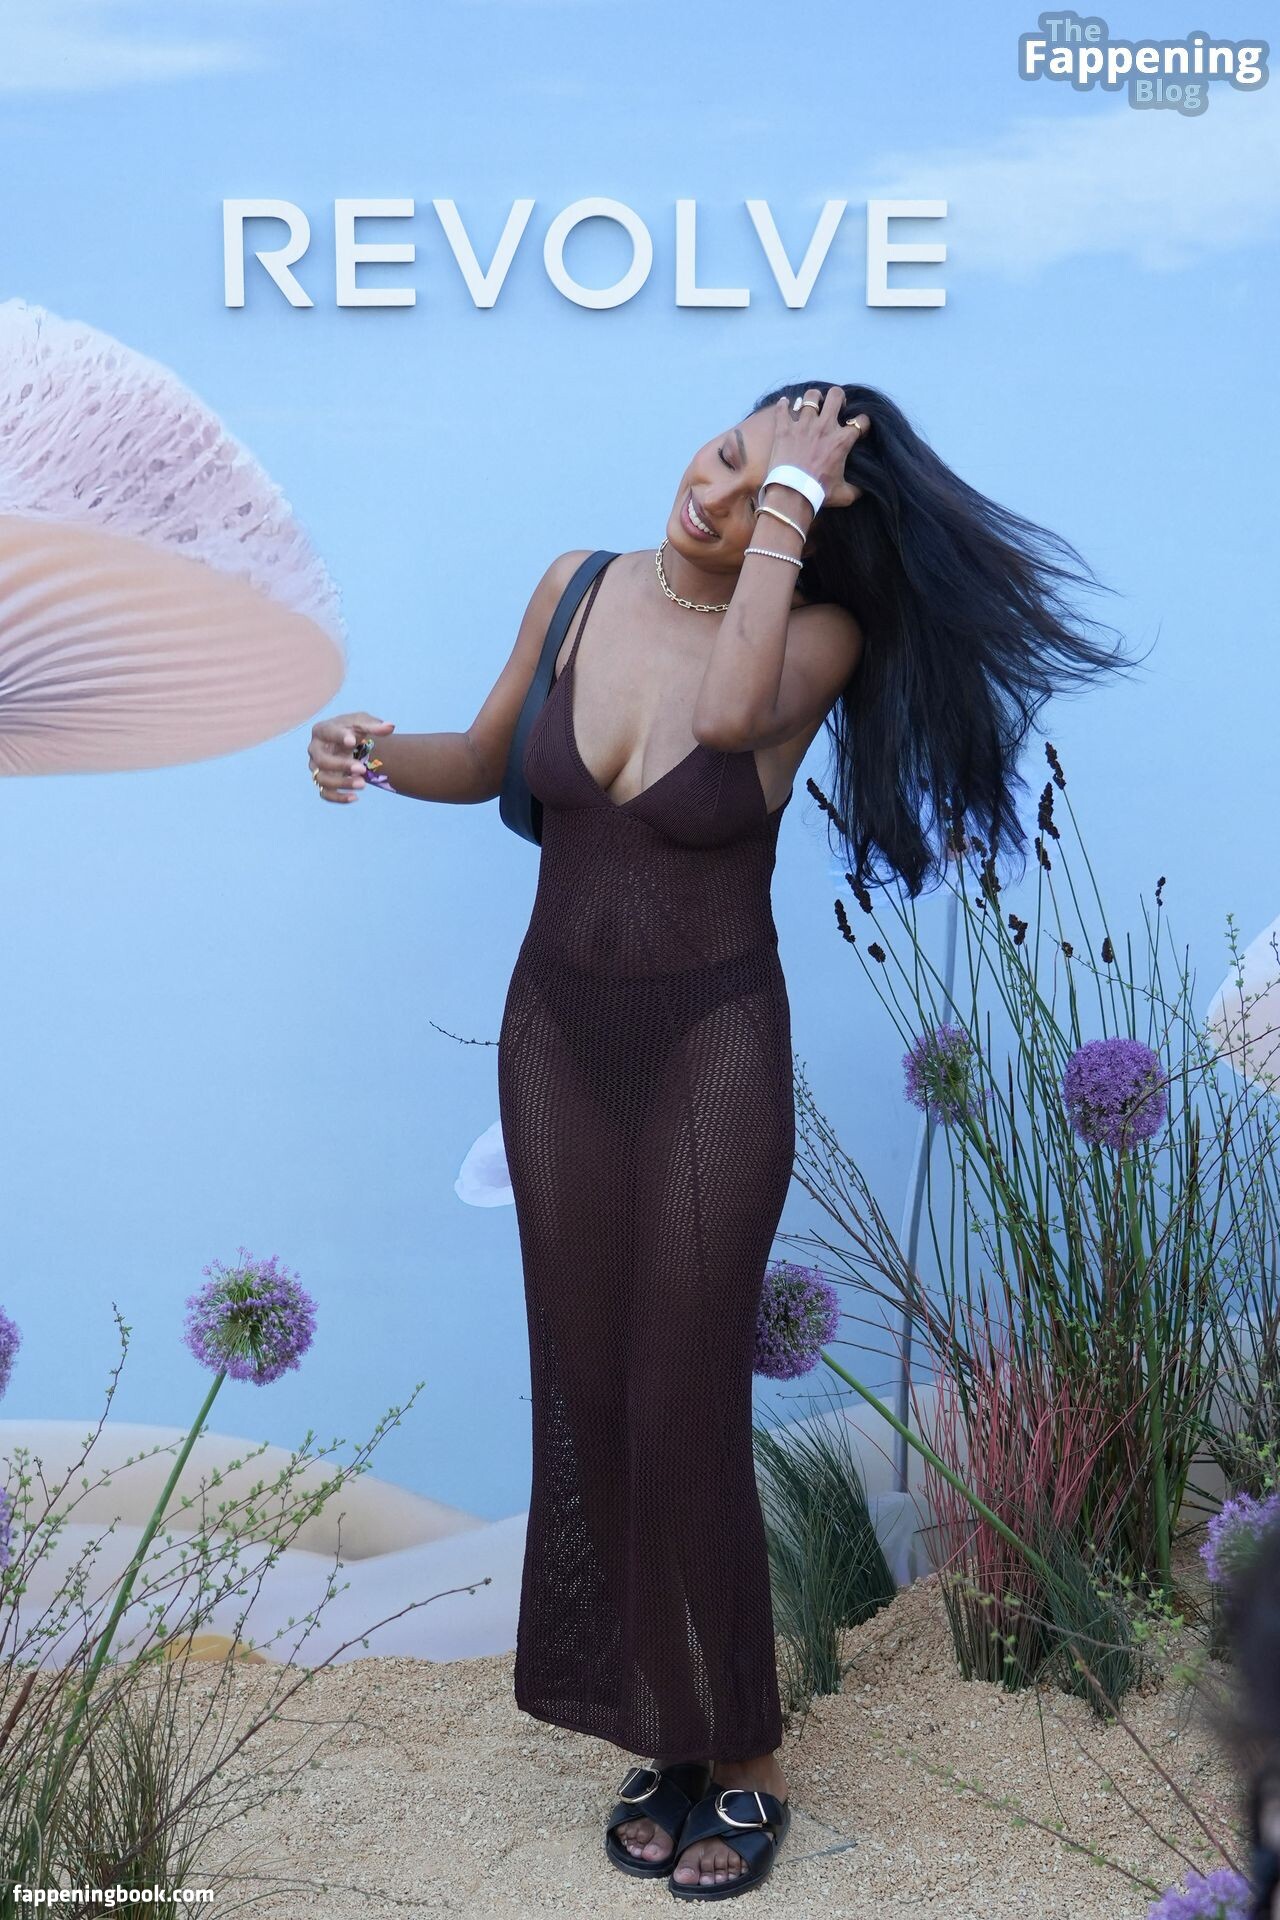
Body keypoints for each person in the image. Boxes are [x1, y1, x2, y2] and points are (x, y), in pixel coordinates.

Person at [307, 381, 1127, 1898]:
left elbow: (730, 719)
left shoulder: (814, 639)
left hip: (712, 1046)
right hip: (556, 1041)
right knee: (591, 1382)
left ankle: (745, 1757)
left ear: (810, 539)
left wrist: (794, 507)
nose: (721, 493)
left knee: (682, 1387)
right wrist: (367, 747)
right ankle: (665, 1732)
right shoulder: (577, 586)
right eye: (732, 454)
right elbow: (487, 758)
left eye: (770, 496)